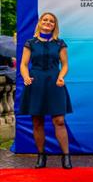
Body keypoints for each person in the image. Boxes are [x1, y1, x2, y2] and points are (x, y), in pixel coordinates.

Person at [19, 13, 73, 169]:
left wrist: (61, 77)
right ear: (40, 23)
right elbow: (23, 64)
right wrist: (26, 76)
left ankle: (66, 157)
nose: (48, 22)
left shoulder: (60, 43)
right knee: (37, 122)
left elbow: (65, 65)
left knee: (59, 121)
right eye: (45, 20)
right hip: (35, 83)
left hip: (55, 83)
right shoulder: (31, 43)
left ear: (54, 25)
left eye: (51, 21)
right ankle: (41, 156)